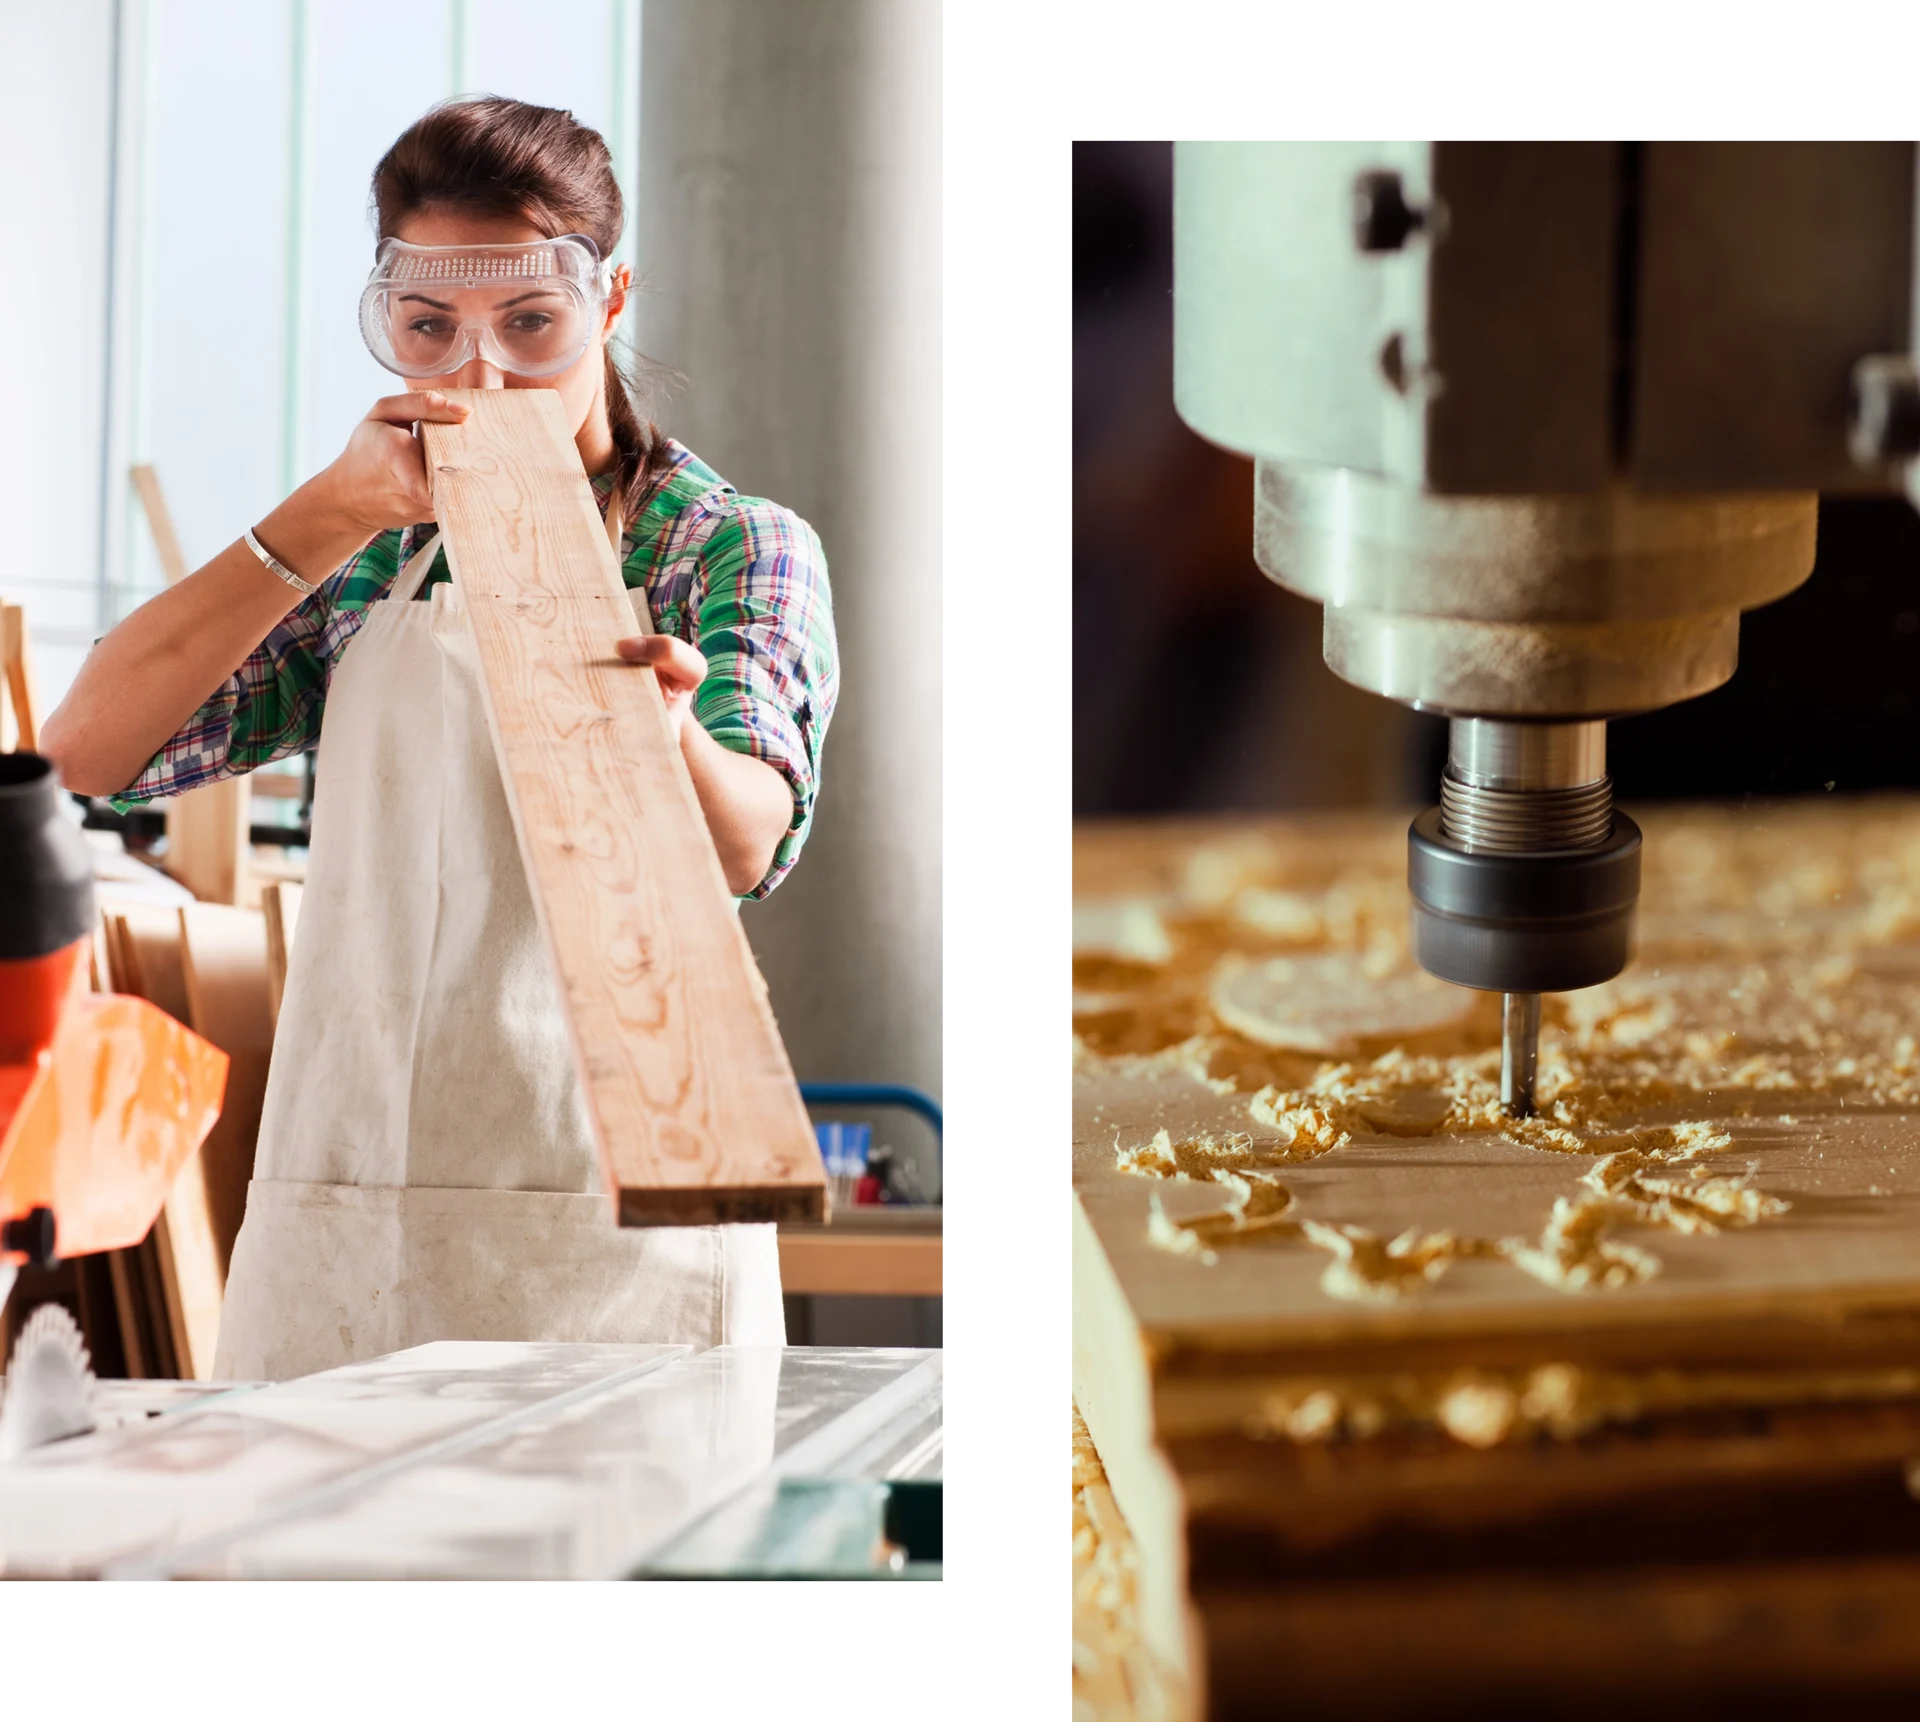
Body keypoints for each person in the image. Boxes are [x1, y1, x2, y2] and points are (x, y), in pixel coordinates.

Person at [41, 96, 839, 1380]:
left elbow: (748, 843)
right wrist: (322, 516)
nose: (481, 373)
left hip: (615, 1236)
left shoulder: (724, 546)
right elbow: (83, 752)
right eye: (429, 328)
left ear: (610, 299)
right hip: (354, 1209)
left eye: (532, 323)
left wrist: (671, 736)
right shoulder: (363, 562)